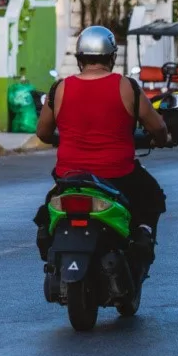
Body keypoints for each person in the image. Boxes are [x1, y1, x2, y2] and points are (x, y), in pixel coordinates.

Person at [34, 26, 168, 263]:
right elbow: (158, 128)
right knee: (152, 197)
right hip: (118, 175)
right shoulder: (128, 87)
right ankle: (143, 236)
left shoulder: (60, 88)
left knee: (47, 209)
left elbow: (43, 132)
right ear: (112, 57)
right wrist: (161, 139)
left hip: (70, 177)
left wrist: (63, 138)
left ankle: (48, 238)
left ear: (79, 58)